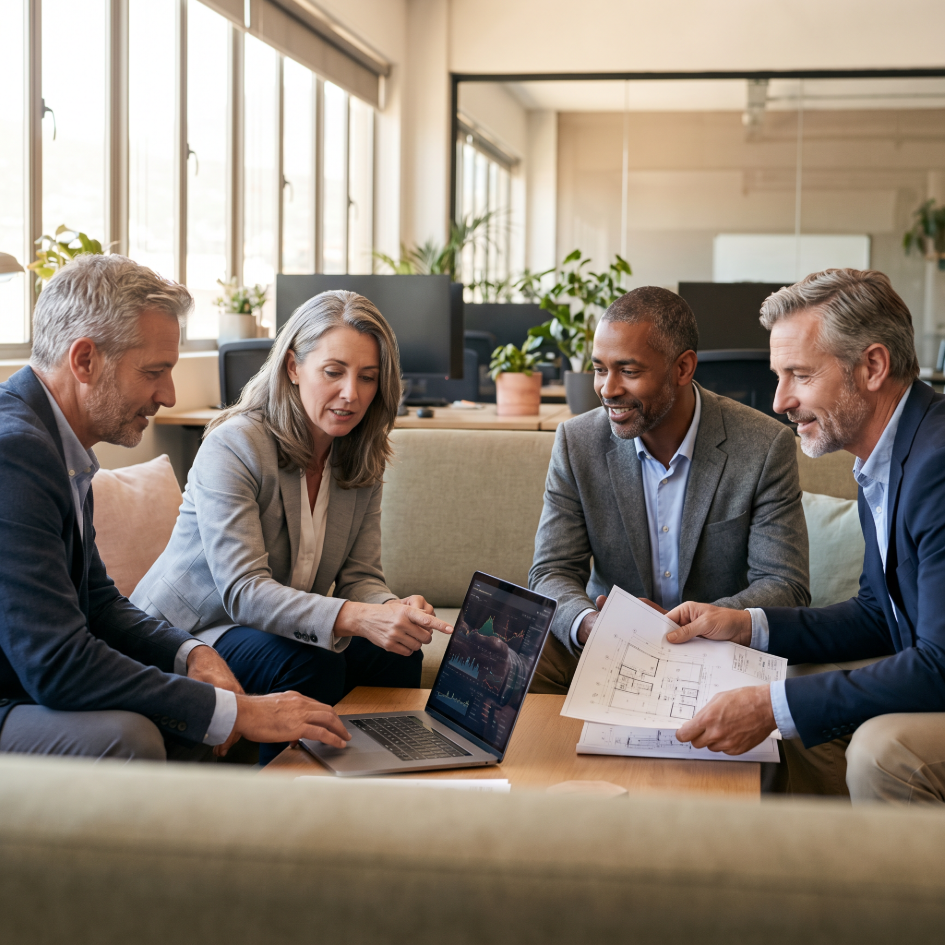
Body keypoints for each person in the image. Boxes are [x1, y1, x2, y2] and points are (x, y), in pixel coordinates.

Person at [0, 254, 349, 762]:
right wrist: (237, 712)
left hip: (26, 681)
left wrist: (192, 653)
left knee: (193, 710)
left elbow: (99, 602)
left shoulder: (58, 446)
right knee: (132, 736)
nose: (168, 394)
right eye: (154, 372)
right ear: (85, 360)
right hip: (12, 694)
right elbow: (57, 664)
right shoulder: (15, 453)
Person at [132, 290, 452, 764]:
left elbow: (360, 576)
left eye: (367, 377)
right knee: (308, 663)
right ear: (293, 367)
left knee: (396, 649)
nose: (352, 393)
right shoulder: (235, 445)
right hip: (193, 632)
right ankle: (288, 798)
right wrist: (359, 617)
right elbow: (243, 591)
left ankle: (387, 774)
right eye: (333, 372)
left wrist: (390, 609)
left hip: (272, 627)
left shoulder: (359, 455)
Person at [665, 268, 945, 804]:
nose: (779, 401)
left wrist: (770, 706)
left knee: (882, 750)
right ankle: (823, 852)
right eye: (779, 376)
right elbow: (878, 614)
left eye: (799, 374)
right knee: (802, 688)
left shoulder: (938, 463)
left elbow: (940, 664)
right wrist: (746, 625)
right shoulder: (885, 457)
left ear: (873, 366)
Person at [528, 286, 810, 694]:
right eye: (600, 369)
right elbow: (551, 571)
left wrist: (689, 624)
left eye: (628, 371)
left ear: (682, 368)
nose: (607, 389)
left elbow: (785, 585)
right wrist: (591, 624)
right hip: (610, 646)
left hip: (717, 650)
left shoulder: (763, 445)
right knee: (515, 651)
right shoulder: (577, 442)